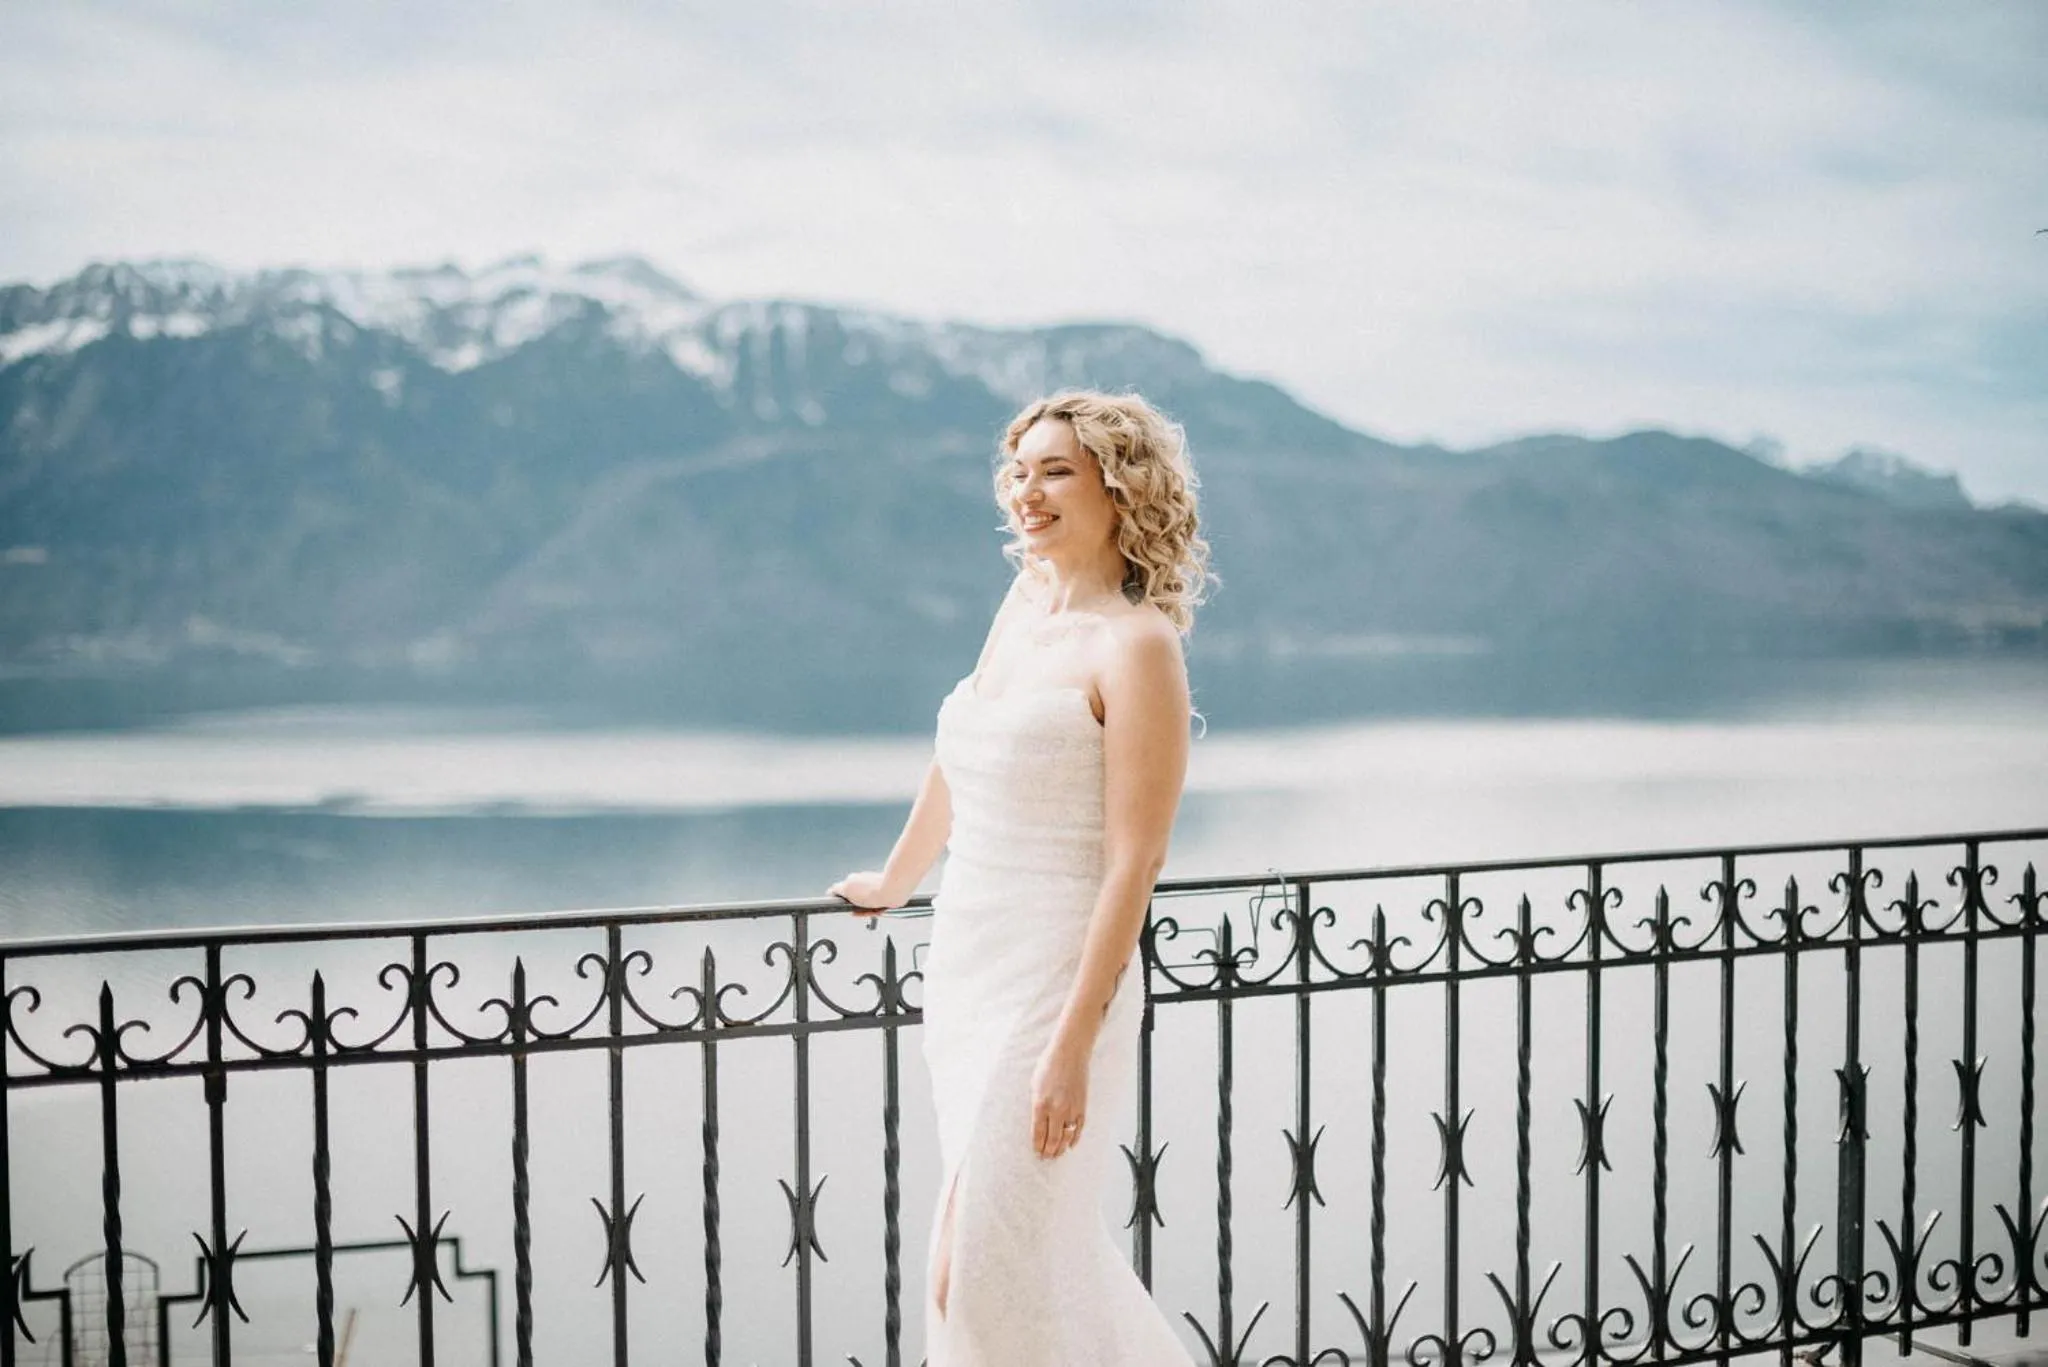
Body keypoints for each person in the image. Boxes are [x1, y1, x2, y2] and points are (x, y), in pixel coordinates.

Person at [829, 388, 1211, 1365]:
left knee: (979, 1266)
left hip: (1055, 976)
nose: (1024, 491)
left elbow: (1138, 857)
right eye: (1017, 470)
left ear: (1118, 488)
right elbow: (962, 755)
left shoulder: (1138, 645)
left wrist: (1070, 1041)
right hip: (968, 961)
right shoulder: (1021, 605)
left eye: (1054, 470)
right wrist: (893, 880)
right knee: (1023, 1258)